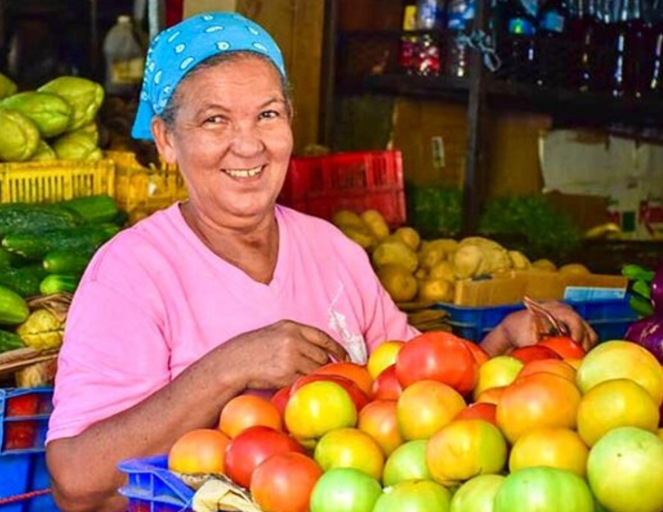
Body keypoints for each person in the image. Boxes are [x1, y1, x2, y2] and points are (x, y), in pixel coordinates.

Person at [45, 12, 597, 512]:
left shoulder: (333, 251)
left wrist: (503, 344)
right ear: (166, 139)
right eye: (214, 120)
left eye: (267, 114)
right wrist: (228, 367)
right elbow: (75, 481)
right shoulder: (131, 273)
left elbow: (414, 394)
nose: (248, 145)